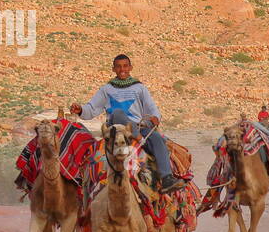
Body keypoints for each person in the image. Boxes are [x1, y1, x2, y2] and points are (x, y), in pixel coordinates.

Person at [71, 54, 185, 193]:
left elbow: (152, 108)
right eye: (118, 66)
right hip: (116, 129)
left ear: (130, 67)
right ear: (113, 69)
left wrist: (155, 117)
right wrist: (81, 110)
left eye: (125, 66)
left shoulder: (139, 88)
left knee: (156, 138)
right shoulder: (106, 89)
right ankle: (138, 138)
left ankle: (167, 178)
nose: (122, 69)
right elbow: (92, 108)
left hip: (138, 126)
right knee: (117, 113)